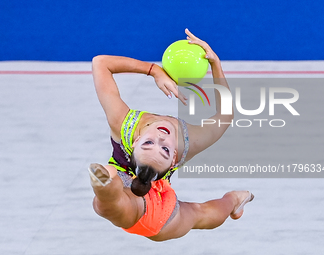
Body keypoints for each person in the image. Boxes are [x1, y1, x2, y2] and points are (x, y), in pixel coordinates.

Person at [88, 28, 254, 241]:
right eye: (164, 148)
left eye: (151, 144)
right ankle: (105, 187)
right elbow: (225, 115)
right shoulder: (186, 143)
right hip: (138, 206)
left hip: (154, 205)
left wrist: (154, 70)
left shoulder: (124, 124)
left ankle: (233, 200)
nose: (161, 138)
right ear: (174, 158)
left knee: (201, 214)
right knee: (111, 201)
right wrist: (215, 66)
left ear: (136, 141)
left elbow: (100, 62)